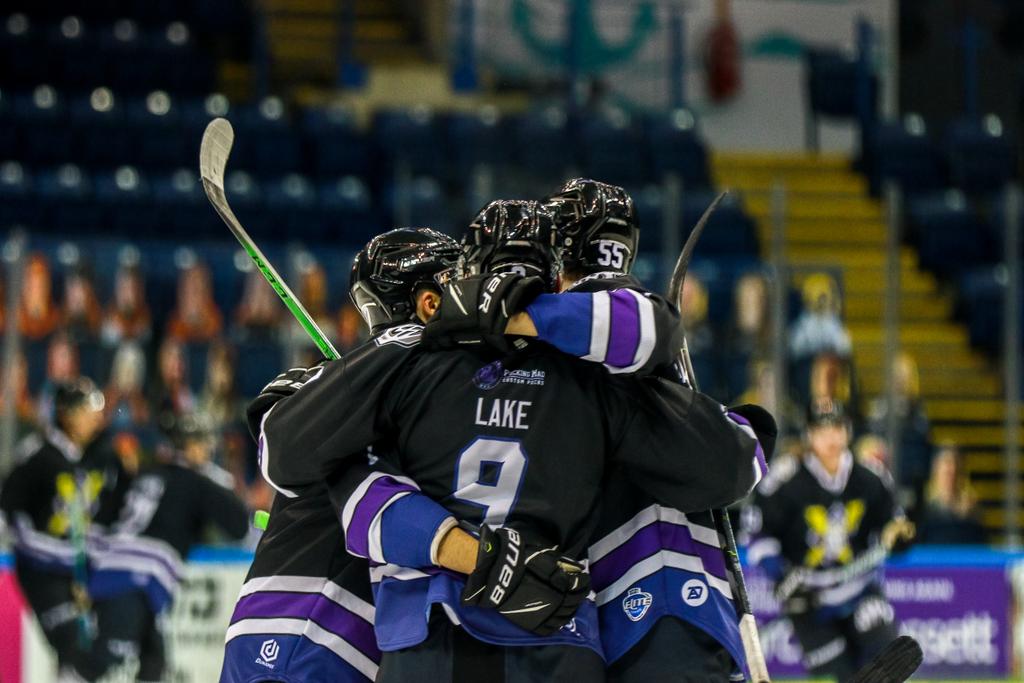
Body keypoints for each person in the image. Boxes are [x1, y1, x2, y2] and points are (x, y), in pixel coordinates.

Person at [257, 203, 766, 682]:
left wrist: (478, 557)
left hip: (430, 632)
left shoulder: (406, 367)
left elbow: (318, 476)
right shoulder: (592, 374)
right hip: (557, 636)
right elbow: (724, 462)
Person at [221, 228, 570, 683]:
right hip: (303, 631)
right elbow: (283, 451)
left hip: (355, 644)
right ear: (429, 305)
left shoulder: (418, 395)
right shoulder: (345, 389)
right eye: (459, 286)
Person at [538, 179, 761, 682]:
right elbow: (736, 460)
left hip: (646, 610)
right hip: (693, 602)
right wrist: (749, 445)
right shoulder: (653, 343)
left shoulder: (582, 332)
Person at [744, 399, 913, 682]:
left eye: (837, 428)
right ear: (809, 435)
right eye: (822, 430)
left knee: (886, 663)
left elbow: (894, 526)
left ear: (847, 431)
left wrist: (899, 536)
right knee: (836, 676)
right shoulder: (785, 482)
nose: (831, 437)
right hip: (809, 601)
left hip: (859, 590)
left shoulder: (871, 477)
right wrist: (782, 576)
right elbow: (759, 534)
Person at [93, 412, 249, 682]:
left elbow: (103, 517)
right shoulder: (195, 480)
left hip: (111, 567)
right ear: (188, 446)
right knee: (106, 659)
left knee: (154, 661)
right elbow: (239, 526)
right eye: (202, 443)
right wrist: (214, 480)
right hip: (137, 575)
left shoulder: (145, 471)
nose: (207, 449)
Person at [0, 378, 125, 681]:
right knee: (72, 646)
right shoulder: (38, 456)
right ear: (67, 414)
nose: (95, 417)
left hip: (80, 571)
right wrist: (66, 557)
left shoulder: (103, 456)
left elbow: (112, 514)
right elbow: (10, 513)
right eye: (87, 410)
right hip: (41, 570)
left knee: (91, 652)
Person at [916, 444, 987, 544]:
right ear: (936, 472)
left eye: (955, 472)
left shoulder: (972, 511)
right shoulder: (924, 509)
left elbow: (980, 544)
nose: (951, 477)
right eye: (947, 472)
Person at [166, 262, 223, 342]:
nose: (189, 296)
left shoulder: (216, 329)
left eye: (195, 290)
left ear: (206, 293)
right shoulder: (172, 327)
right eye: (185, 290)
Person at [100, 264, 151, 347]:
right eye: (123, 288)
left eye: (132, 288)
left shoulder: (146, 326)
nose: (127, 295)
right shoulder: (108, 327)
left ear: (140, 292)